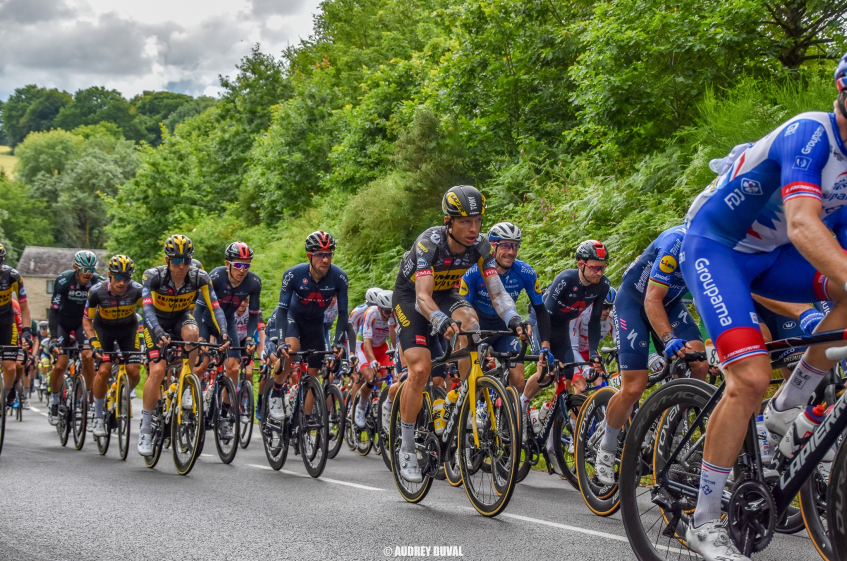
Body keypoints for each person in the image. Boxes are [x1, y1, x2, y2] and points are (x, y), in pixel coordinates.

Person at [677, 54, 847, 561]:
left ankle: (785, 410)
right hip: (718, 249)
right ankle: (703, 522)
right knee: (749, 377)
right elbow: (802, 225)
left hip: (773, 259)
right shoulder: (811, 134)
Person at [392, 185, 526, 482]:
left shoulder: (480, 246)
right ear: (448, 221)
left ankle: (469, 399)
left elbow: (498, 293)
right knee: (420, 368)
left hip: (446, 294)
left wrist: (514, 319)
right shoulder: (430, 244)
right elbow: (423, 298)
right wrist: (438, 320)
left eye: (478, 221)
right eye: (465, 221)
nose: (473, 228)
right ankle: (406, 445)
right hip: (412, 297)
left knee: (471, 323)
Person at [596, 225, 708, 485]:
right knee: (635, 386)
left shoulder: (715, 247)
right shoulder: (674, 243)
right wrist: (668, 338)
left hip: (670, 303)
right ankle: (607, 448)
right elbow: (651, 300)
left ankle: (675, 432)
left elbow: (707, 301)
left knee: (699, 364)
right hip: (634, 303)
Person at [138, 235, 229, 456]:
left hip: (180, 319)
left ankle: (188, 384)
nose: (181, 266)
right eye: (177, 261)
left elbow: (215, 307)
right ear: (167, 260)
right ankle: (146, 428)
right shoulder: (153, 277)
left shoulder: (200, 277)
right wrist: (158, 331)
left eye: (186, 261)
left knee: (193, 332)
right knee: (158, 370)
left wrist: (224, 333)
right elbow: (147, 309)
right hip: (155, 323)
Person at [519, 240, 611, 415]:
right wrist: (545, 347)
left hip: (562, 326)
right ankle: (522, 405)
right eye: (594, 268)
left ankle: (553, 426)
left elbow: (594, 320)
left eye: (602, 268)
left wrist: (593, 353)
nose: (599, 272)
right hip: (542, 320)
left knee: (567, 374)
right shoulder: (566, 279)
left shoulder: (603, 285)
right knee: (547, 371)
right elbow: (544, 313)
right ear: (580, 265)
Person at [460, 222, 550, 396]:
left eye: (515, 246)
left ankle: (507, 417)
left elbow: (541, 311)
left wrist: (545, 347)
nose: (511, 252)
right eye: (506, 245)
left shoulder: (525, 272)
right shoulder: (473, 272)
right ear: (493, 246)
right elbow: (463, 309)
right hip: (478, 327)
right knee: (472, 381)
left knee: (518, 380)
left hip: (505, 328)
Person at [267, 231, 349, 422]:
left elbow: (343, 313)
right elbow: (282, 309)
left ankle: (303, 419)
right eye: (320, 254)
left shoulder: (339, 277)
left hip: (315, 324)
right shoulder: (294, 274)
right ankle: (277, 392)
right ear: (309, 256)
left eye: (329, 254)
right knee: (292, 350)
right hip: (292, 317)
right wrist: (281, 341)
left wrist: (338, 342)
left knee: (314, 371)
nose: (325, 259)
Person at [195, 242, 262, 411]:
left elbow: (253, 315)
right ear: (227, 264)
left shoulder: (253, 282)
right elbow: (199, 308)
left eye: (246, 265)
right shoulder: (216, 276)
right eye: (238, 265)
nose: (242, 270)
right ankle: (191, 401)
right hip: (206, 320)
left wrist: (248, 338)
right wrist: (201, 338)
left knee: (233, 367)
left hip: (228, 321)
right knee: (201, 366)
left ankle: (225, 411)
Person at [82, 255, 144, 437]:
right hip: (104, 331)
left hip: (128, 329)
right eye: (118, 277)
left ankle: (122, 394)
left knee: (134, 370)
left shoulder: (137, 291)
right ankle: (99, 415)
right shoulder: (96, 292)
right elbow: (87, 321)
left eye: (126, 278)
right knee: (104, 369)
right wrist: (93, 343)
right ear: (109, 275)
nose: (122, 282)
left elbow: (149, 313)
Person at [47, 250, 104, 425]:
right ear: (75, 267)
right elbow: (54, 312)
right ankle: (55, 401)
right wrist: (54, 338)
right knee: (60, 365)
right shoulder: (63, 280)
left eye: (92, 269)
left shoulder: (98, 283)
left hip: (83, 324)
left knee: (87, 356)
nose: (89, 273)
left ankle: (88, 399)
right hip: (63, 323)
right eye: (85, 268)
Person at [353, 289, 396, 428]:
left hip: (382, 347)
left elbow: (396, 341)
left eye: (391, 311)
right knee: (372, 378)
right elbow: (367, 340)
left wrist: (391, 324)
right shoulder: (371, 313)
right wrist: (372, 361)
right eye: (386, 312)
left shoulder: (393, 316)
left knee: (395, 379)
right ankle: (361, 406)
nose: (389, 315)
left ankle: (387, 407)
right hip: (365, 347)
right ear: (379, 308)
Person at [570, 288, 616, 393]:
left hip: (591, 354)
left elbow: (618, 341)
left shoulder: (611, 319)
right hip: (573, 353)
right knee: (581, 388)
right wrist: (584, 367)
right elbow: (572, 348)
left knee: (603, 389)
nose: (607, 311)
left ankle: (600, 409)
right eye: (604, 307)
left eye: (610, 307)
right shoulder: (579, 316)